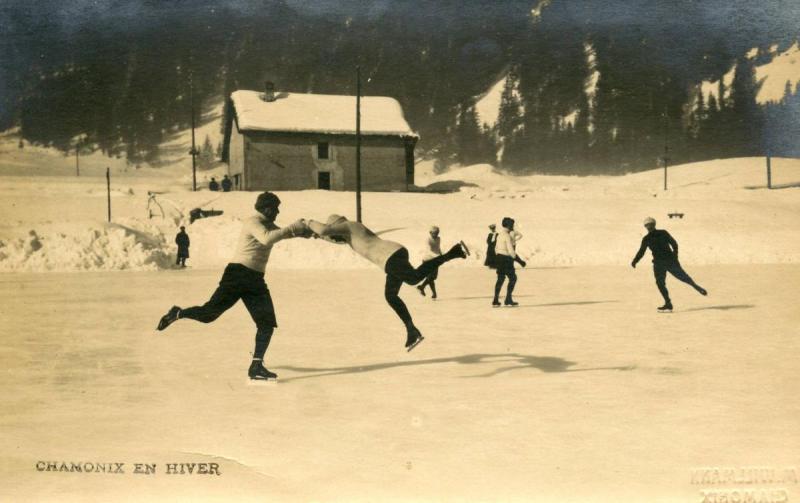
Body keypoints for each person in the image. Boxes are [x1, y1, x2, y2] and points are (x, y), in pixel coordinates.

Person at [156, 192, 312, 381]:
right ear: (266, 208)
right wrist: (293, 228)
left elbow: (280, 234)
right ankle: (177, 313)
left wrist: (305, 233)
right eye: (276, 208)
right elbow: (267, 238)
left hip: (255, 279)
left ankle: (256, 366)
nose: (278, 211)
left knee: (266, 323)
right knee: (209, 315)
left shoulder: (268, 225)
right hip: (237, 275)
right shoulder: (253, 222)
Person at [307, 215, 469, 351]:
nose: (335, 237)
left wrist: (307, 223)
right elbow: (328, 236)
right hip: (390, 259)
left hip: (392, 256)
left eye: (334, 231)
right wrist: (315, 235)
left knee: (413, 278)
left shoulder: (350, 226)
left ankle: (454, 252)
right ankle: (411, 330)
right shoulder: (349, 236)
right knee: (391, 295)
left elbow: (324, 230)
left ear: (337, 225)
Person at [631, 217, 707, 312]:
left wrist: (675, 256)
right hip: (659, 263)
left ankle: (697, 287)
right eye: (647, 225)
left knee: (682, 277)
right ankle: (668, 303)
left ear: (654, 225)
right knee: (660, 283)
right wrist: (635, 261)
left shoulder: (662, 233)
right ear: (645, 226)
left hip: (668, 261)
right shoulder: (647, 238)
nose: (649, 226)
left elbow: (674, 244)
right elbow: (641, 251)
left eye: (650, 224)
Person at [492, 217, 526, 307]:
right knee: (513, 278)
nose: (513, 226)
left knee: (500, 279)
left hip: (499, 258)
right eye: (512, 224)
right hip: (506, 260)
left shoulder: (499, 235)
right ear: (509, 225)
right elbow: (511, 252)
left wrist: (499, 256)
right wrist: (520, 261)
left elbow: (496, 248)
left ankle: (495, 300)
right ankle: (508, 299)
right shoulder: (507, 236)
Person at [416, 226, 443, 299]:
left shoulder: (438, 239)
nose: (436, 234)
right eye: (434, 233)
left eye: (437, 233)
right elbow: (429, 250)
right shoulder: (428, 240)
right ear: (430, 233)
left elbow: (438, 248)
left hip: (435, 260)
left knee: (432, 277)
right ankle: (431, 292)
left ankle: (423, 288)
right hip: (427, 260)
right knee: (430, 277)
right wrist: (437, 256)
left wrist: (441, 254)